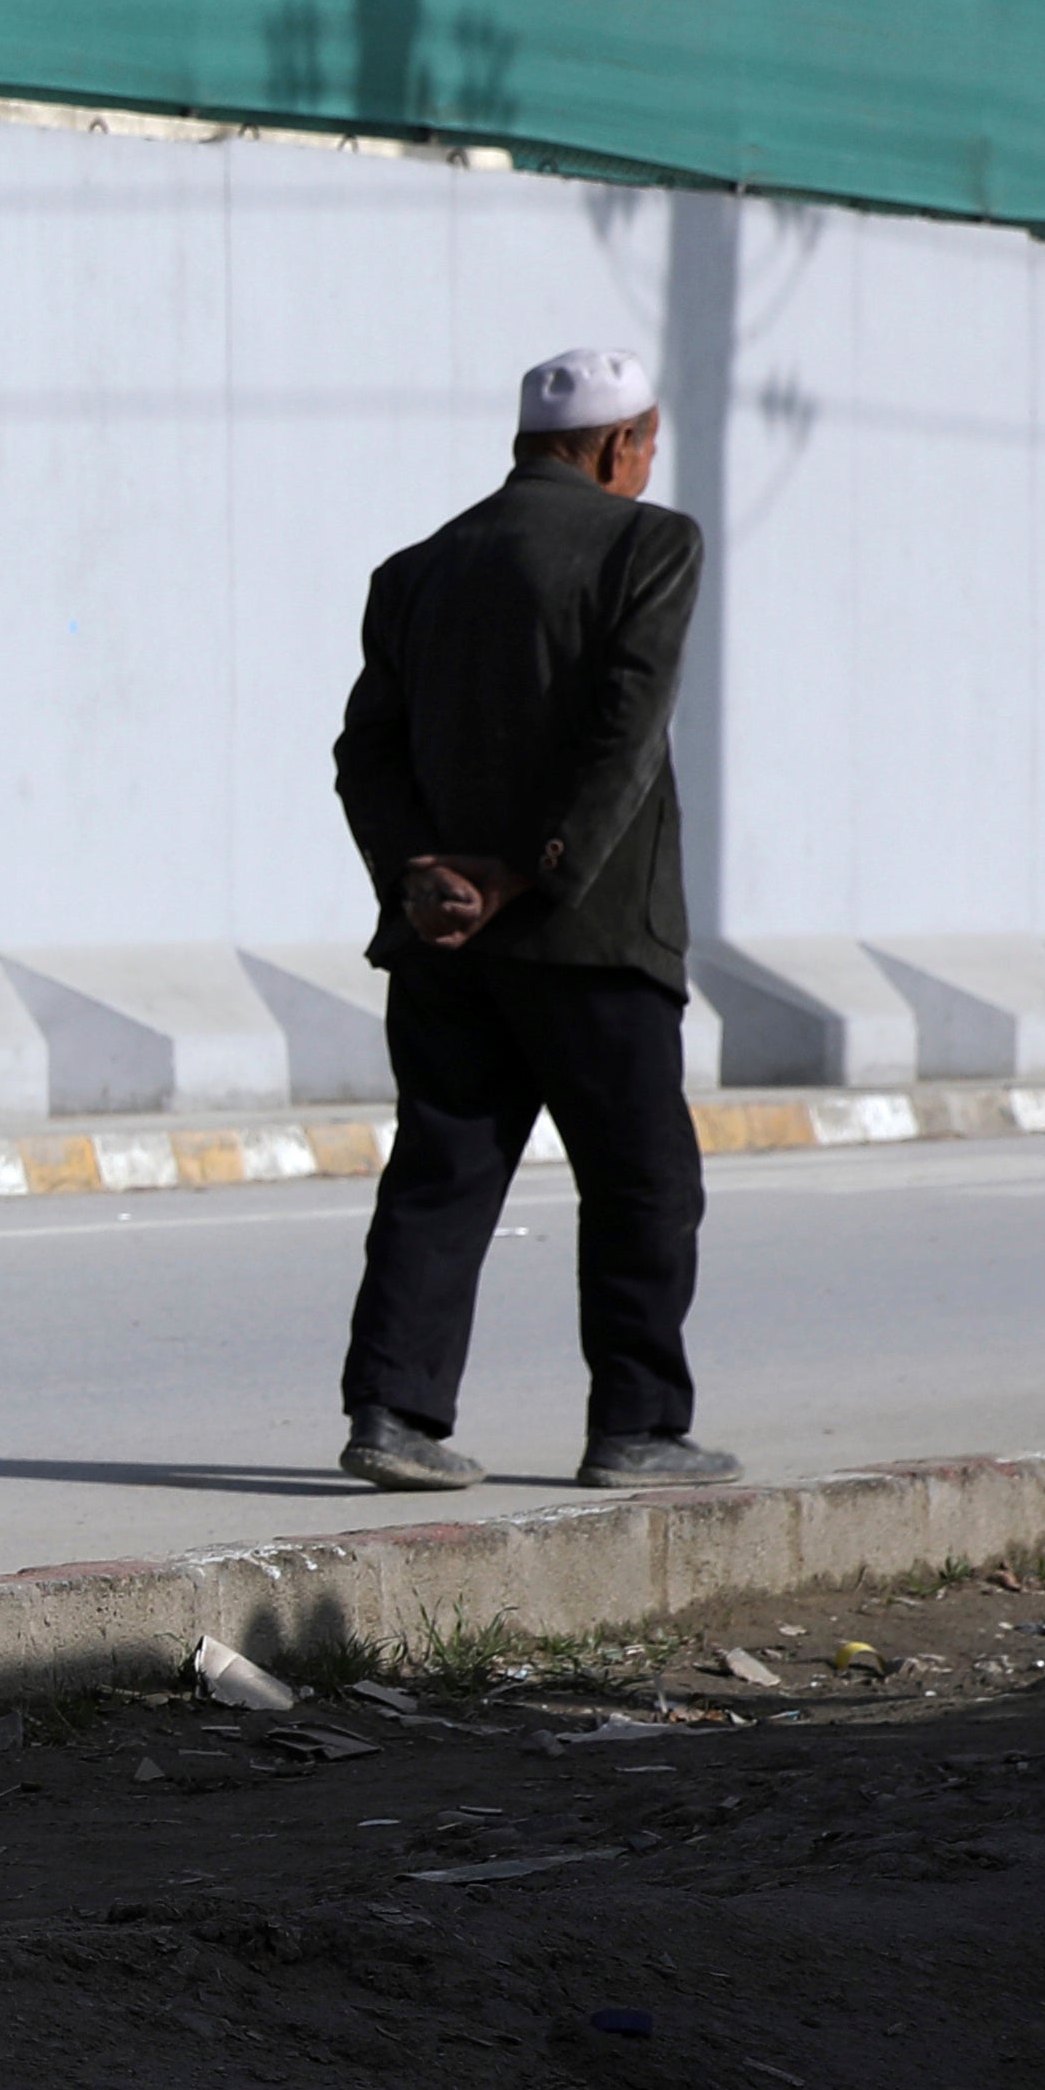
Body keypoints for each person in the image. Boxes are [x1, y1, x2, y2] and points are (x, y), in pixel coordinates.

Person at [329, 344, 733, 1497]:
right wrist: (530, 874)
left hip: (446, 941)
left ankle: (394, 1414)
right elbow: (624, 733)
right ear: (619, 447)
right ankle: (639, 1426)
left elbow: (367, 751)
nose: (648, 464)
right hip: (593, 933)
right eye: (646, 443)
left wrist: (421, 875)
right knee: (644, 1180)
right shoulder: (652, 545)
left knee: (443, 1172)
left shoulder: (416, 570)